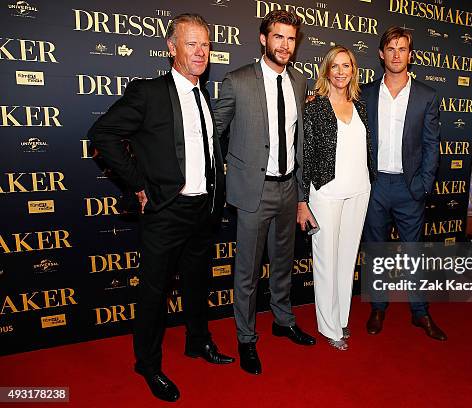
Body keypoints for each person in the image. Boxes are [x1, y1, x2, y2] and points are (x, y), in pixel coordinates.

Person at [88, 13, 233, 402]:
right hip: (166, 212)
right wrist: (138, 184)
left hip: (203, 210)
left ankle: (197, 342)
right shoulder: (149, 93)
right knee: (154, 292)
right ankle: (148, 365)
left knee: (197, 283)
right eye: (191, 44)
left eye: (205, 44)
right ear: (172, 48)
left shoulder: (205, 94)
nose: (201, 52)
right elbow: (102, 133)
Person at [214, 10, 315, 376]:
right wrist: (232, 172)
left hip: (288, 188)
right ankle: (245, 338)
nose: (285, 46)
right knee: (247, 271)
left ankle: (283, 320)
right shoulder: (237, 80)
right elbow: (215, 133)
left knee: (283, 263)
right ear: (263, 39)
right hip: (253, 192)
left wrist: (301, 193)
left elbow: (299, 141)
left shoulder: (300, 83)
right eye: (278, 37)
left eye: (291, 39)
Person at [361, 26, 447, 341]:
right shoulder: (367, 93)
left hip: (410, 187)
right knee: (377, 249)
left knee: (414, 252)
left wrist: (423, 186)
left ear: (411, 55)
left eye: (403, 49)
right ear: (382, 54)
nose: (397, 55)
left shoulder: (427, 95)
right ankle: (378, 307)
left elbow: (431, 145)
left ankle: (420, 313)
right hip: (375, 185)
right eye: (391, 49)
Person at [298, 46, 375, 351]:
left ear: (353, 70)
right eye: (335, 66)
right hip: (325, 192)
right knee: (326, 261)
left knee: (346, 260)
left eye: (347, 66)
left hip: (359, 190)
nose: (341, 72)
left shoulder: (360, 105)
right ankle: (329, 327)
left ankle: (341, 318)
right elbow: (305, 156)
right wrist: (302, 199)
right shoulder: (314, 106)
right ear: (327, 70)